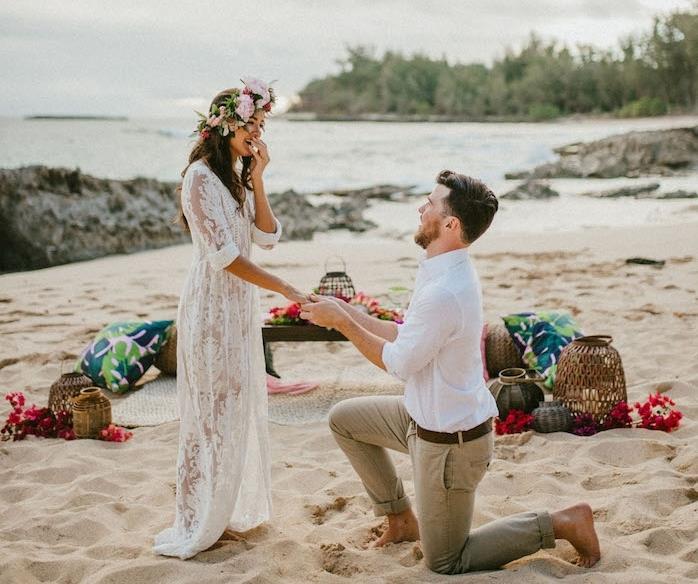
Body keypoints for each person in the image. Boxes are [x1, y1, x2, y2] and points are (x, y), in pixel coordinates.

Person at [300, 170, 600, 574]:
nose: (420, 208)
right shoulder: (440, 269)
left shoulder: (446, 290)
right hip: (418, 420)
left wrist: (342, 323)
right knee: (344, 420)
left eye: (429, 203)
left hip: (451, 446)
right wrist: (349, 312)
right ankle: (402, 519)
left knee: (446, 560)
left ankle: (561, 522)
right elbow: (407, 335)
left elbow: (399, 363)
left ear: (450, 224)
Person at [154, 79, 306, 559]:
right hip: (211, 305)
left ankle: (223, 511)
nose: (257, 132)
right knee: (209, 412)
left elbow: (267, 237)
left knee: (235, 407)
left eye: (262, 125)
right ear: (226, 124)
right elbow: (224, 257)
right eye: (252, 123)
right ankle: (198, 515)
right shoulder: (198, 178)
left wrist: (259, 176)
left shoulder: (235, 178)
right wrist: (282, 286)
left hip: (240, 307)